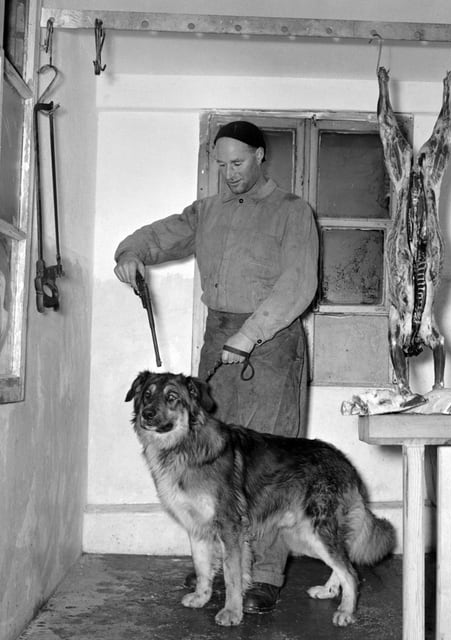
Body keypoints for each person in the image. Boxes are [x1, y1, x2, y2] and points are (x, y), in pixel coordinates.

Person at [114, 120, 319, 614]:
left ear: (260, 156)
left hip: (272, 342)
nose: (228, 173)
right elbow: (157, 236)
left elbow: (297, 284)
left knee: (267, 466)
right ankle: (219, 564)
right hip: (219, 339)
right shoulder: (207, 211)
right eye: (220, 164)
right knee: (208, 460)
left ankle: (262, 576)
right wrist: (130, 254)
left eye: (238, 163)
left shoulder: (292, 212)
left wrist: (248, 336)